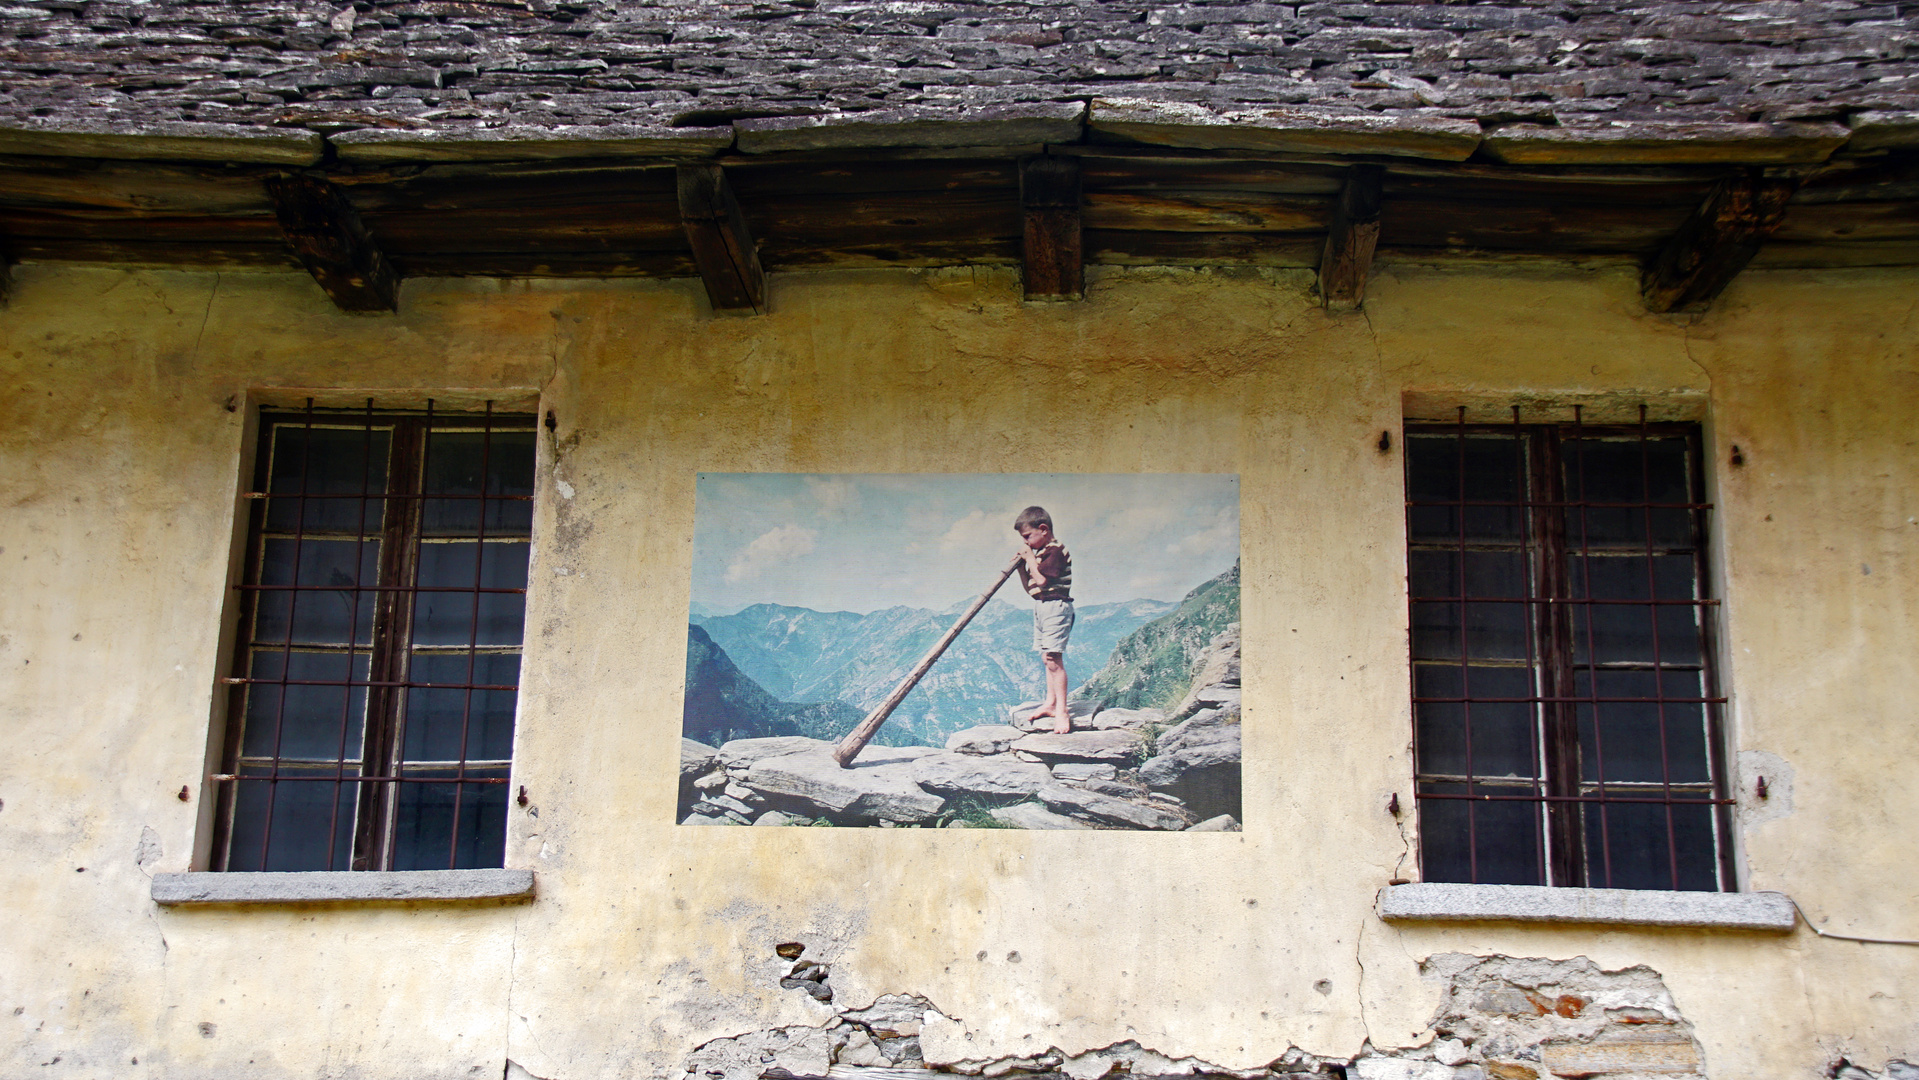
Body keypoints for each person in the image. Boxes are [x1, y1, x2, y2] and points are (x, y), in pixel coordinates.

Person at [1012, 505, 1075, 735]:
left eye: (1028, 536)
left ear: (1043, 529)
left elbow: (1042, 582)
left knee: (1052, 658)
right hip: (1042, 606)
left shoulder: (1055, 551)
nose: (1026, 542)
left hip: (1056, 607)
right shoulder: (1040, 553)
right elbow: (1033, 589)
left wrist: (1029, 559)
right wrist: (1022, 568)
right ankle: (1050, 703)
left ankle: (1062, 711)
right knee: (1045, 657)